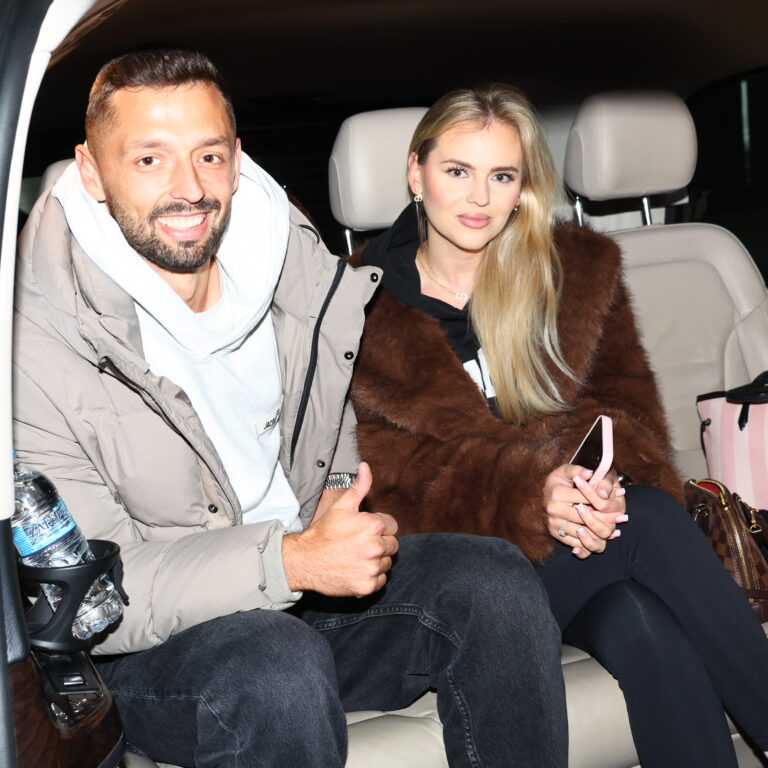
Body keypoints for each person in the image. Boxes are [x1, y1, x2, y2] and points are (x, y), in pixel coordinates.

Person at [13, 51, 569, 768]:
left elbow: (330, 447)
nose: (190, 189)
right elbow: (97, 598)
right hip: (149, 650)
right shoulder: (37, 341)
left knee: (494, 580)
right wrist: (292, 560)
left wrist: (334, 509)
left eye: (209, 156)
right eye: (150, 160)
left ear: (236, 159)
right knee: (276, 661)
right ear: (91, 171)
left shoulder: (292, 272)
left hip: (301, 601)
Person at [349, 83, 768, 768]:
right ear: (415, 173)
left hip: (585, 544)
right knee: (651, 522)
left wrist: (593, 488)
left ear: (523, 188)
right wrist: (530, 496)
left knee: (642, 623)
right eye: (457, 171)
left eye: (502, 176)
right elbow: (395, 486)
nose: (480, 197)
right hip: (464, 577)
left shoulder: (572, 274)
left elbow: (629, 416)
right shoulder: (356, 313)